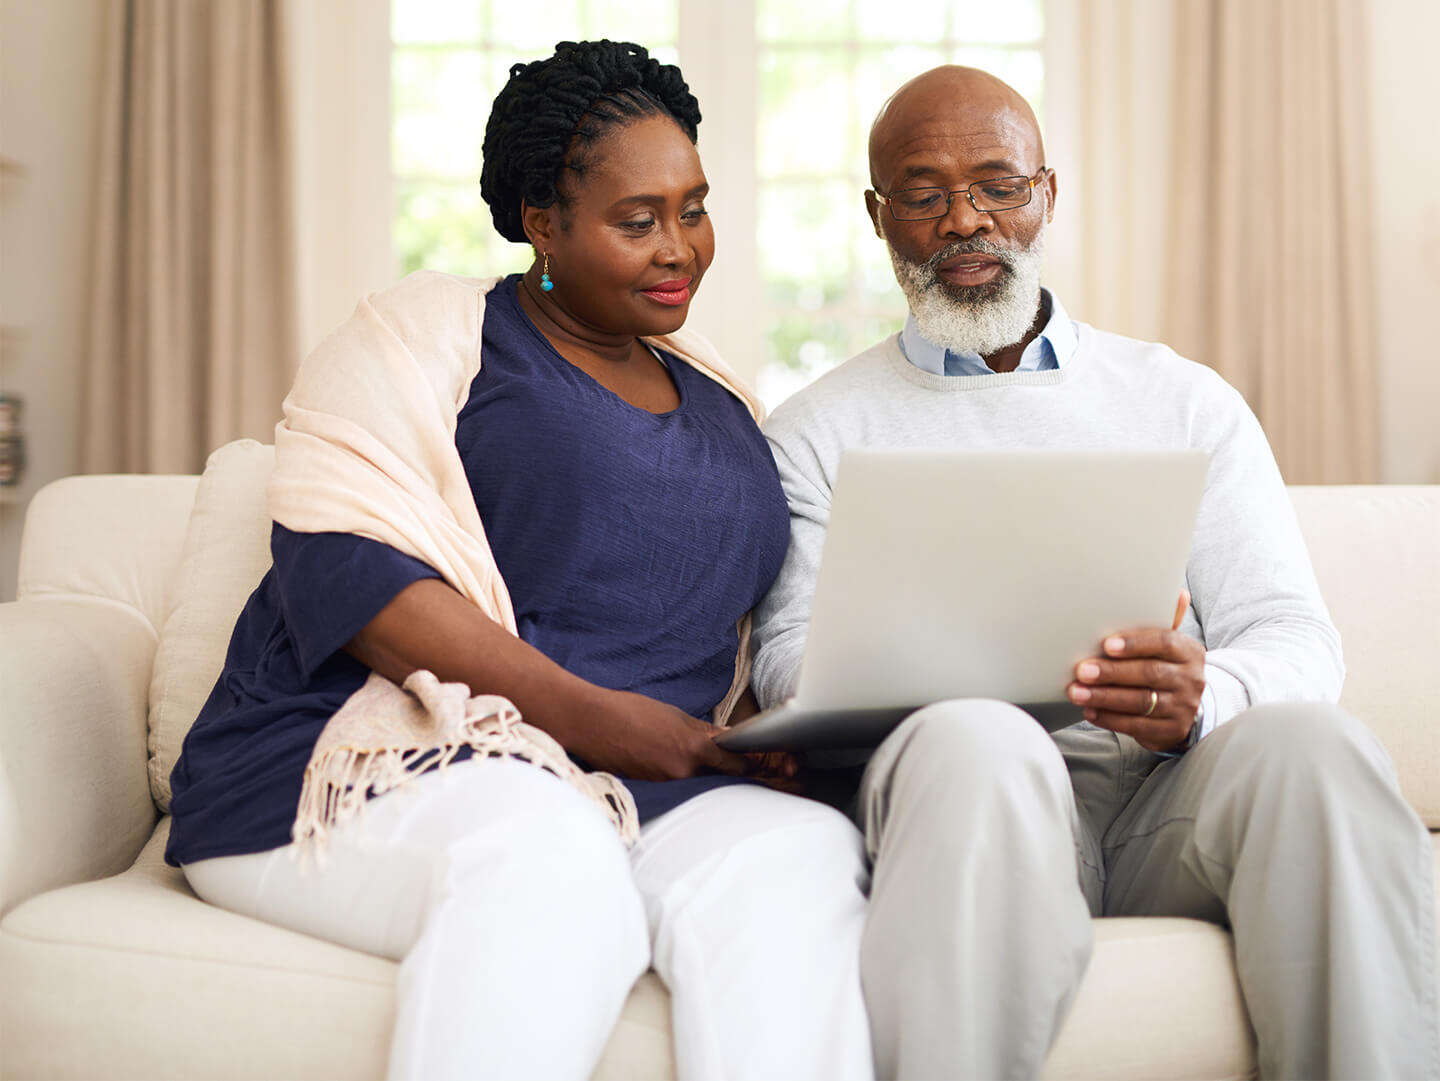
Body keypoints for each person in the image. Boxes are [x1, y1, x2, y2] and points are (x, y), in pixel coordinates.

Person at [165, 41, 873, 1081]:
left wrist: (771, 732)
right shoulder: (432, 338)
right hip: (374, 764)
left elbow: (728, 644)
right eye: (638, 221)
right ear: (544, 222)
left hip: (645, 783)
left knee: (797, 855)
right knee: (545, 856)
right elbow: (350, 571)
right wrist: (601, 721)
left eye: (694, 207)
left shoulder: (727, 408)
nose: (680, 247)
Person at [752, 64, 1438, 1081]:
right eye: (925, 194)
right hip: (968, 798)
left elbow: (1297, 636)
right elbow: (785, 666)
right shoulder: (813, 432)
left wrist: (1205, 696)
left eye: (998, 184)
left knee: (1316, 746)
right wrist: (938, 678)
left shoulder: (1183, 401)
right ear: (879, 217)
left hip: (1170, 801)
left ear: (1048, 195)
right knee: (980, 736)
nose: (964, 221)